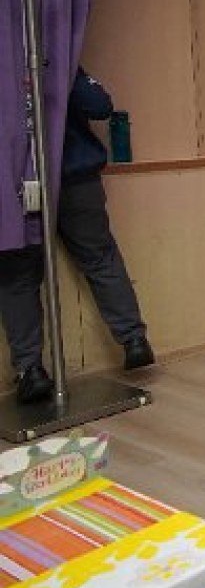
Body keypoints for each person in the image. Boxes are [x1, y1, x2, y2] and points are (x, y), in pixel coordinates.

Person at [3, 66, 155, 405]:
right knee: (100, 258)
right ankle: (133, 338)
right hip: (76, 178)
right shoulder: (59, 58)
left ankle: (30, 369)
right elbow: (100, 105)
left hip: (20, 183)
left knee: (18, 276)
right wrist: (64, 76)